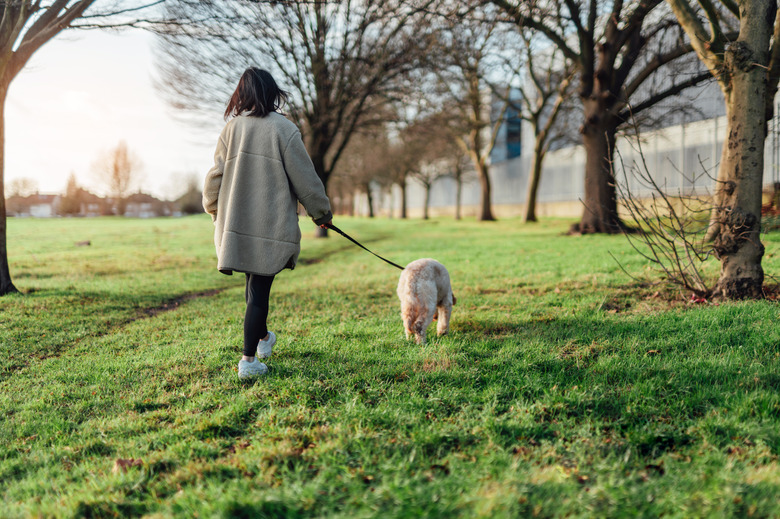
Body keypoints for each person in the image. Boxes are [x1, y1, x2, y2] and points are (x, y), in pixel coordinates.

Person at [203, 67, 332, 379]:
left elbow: (213, 180)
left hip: (236, 225)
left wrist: (214, 210)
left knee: (253, 288)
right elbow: (306, 179)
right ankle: (248, 361)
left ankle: (263, 339)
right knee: (259, 293)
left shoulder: (230, 130)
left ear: (242, 96)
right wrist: (321, 213)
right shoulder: (283, 129)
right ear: (272, 93)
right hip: (270, 226)